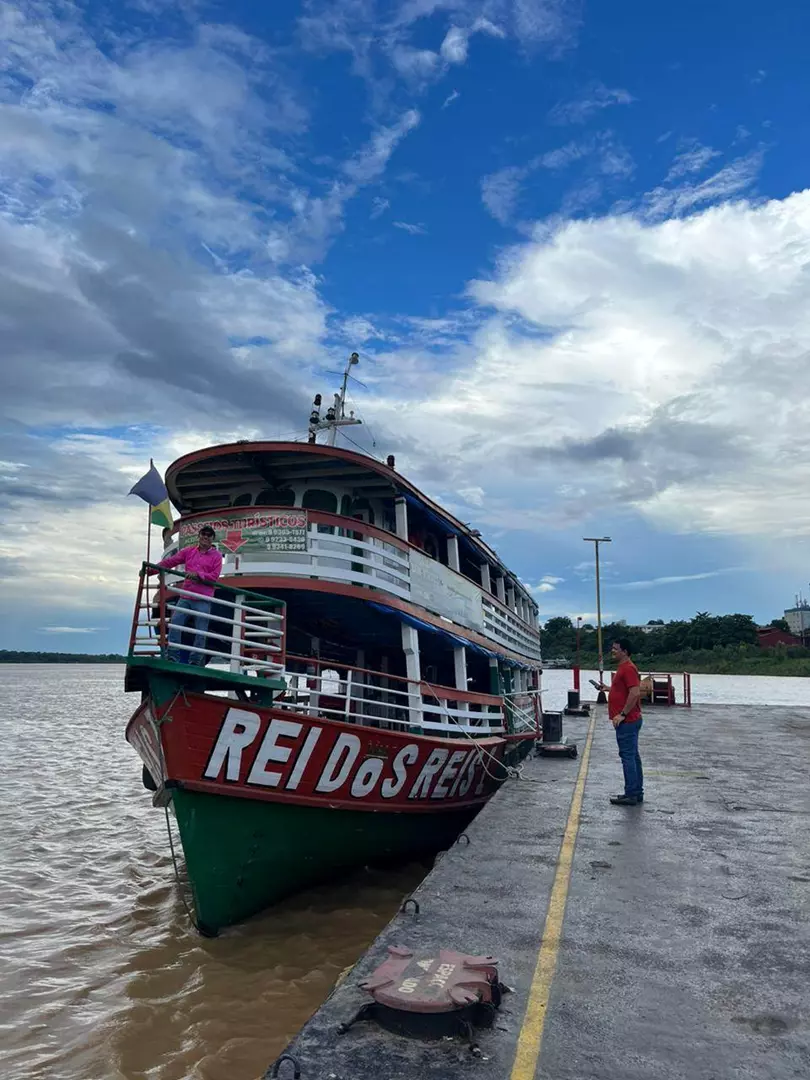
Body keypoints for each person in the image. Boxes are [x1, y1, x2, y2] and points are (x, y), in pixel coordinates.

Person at [157, 526, 223, 665]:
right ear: (199, 536)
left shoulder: (216, 556)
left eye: (209, 535)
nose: (206, 537)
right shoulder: (189, 551)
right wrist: (151, 569)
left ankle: (195, 660)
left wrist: (199, 575)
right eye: (203, 534)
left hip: (203, 599)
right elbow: (171, 561)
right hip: (186, 596)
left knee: (201, 632)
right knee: (175, 624)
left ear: (212, 539)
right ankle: (173, 656)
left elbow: (214, 577)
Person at [599, 638, 643, 806]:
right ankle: (636, 792)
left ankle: (631, 793)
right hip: (631, 720)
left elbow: (635, 693)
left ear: (625, 651)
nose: (613, 651)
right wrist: (609, 689)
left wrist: (622, 714)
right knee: (633, 756)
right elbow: (625, 690)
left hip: (628, 721)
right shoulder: (623, 668)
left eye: (616, 649)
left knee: (628, 757)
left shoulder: (628, 669)